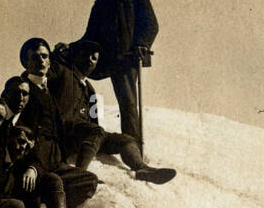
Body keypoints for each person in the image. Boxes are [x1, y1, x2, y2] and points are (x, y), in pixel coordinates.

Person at [49, 40, 176, 183]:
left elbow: (94, 122)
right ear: (76, 56)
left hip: (85, 136)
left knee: (126, 139)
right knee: (95, 131)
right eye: (85, 55)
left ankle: (141, 168)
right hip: (62, 133)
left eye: (94, 58)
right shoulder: (62, 72)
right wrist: (54, 55)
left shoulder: (90, 90)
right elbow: (42, 73)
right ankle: (79, 175)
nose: (89, 61)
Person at [79, 0, 159, 149]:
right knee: (78, 82)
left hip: (126, 58)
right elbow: (89, 36)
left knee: (128, 103)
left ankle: (132, 148)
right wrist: (70, 49)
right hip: (104, 60)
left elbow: (151, 23)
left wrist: (142, 43)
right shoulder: (99, 4)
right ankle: (88, 131)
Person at [18, 38, 99, 208]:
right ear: (26, 63)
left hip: (55, 159)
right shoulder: (22, 90)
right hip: (34, 162)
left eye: (45, 56)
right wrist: (31, 166)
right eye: (35, 57)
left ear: (50, 61)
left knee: (89, 181)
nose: (41, 60)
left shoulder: (49, 91)